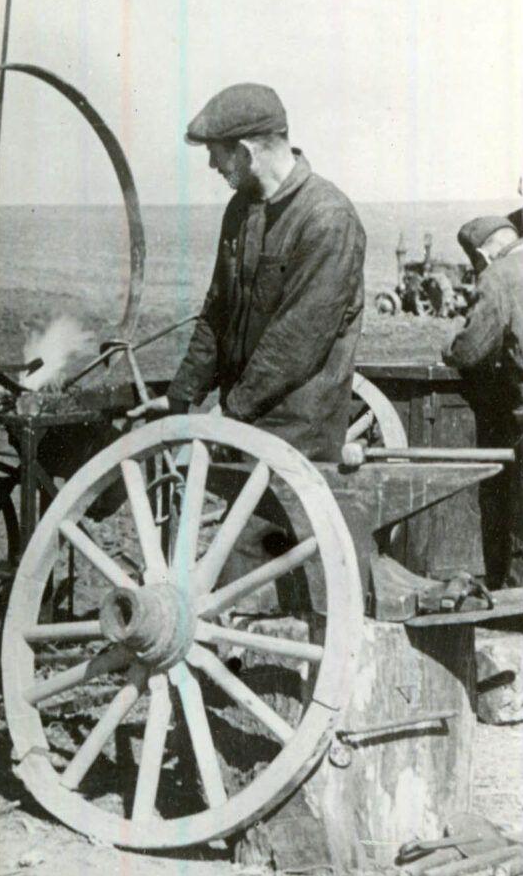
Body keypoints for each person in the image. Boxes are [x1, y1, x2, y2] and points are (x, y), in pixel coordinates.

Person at [136, 83, 366, 596]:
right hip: (248, 427)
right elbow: (217, 312)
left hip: (297, 432)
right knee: (237, 578)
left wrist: (228, 414)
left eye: (217, 157)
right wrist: (180, 399)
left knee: (239, 582)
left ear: (245, 152)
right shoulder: (242, 211)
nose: (213, 168)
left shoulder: (328, 219)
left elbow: (296, 343)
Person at [444, 215, 523, 586]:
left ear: (482, 254)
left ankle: (519, 615)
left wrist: (448, 346)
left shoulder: (499, 276)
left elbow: (471, 348)